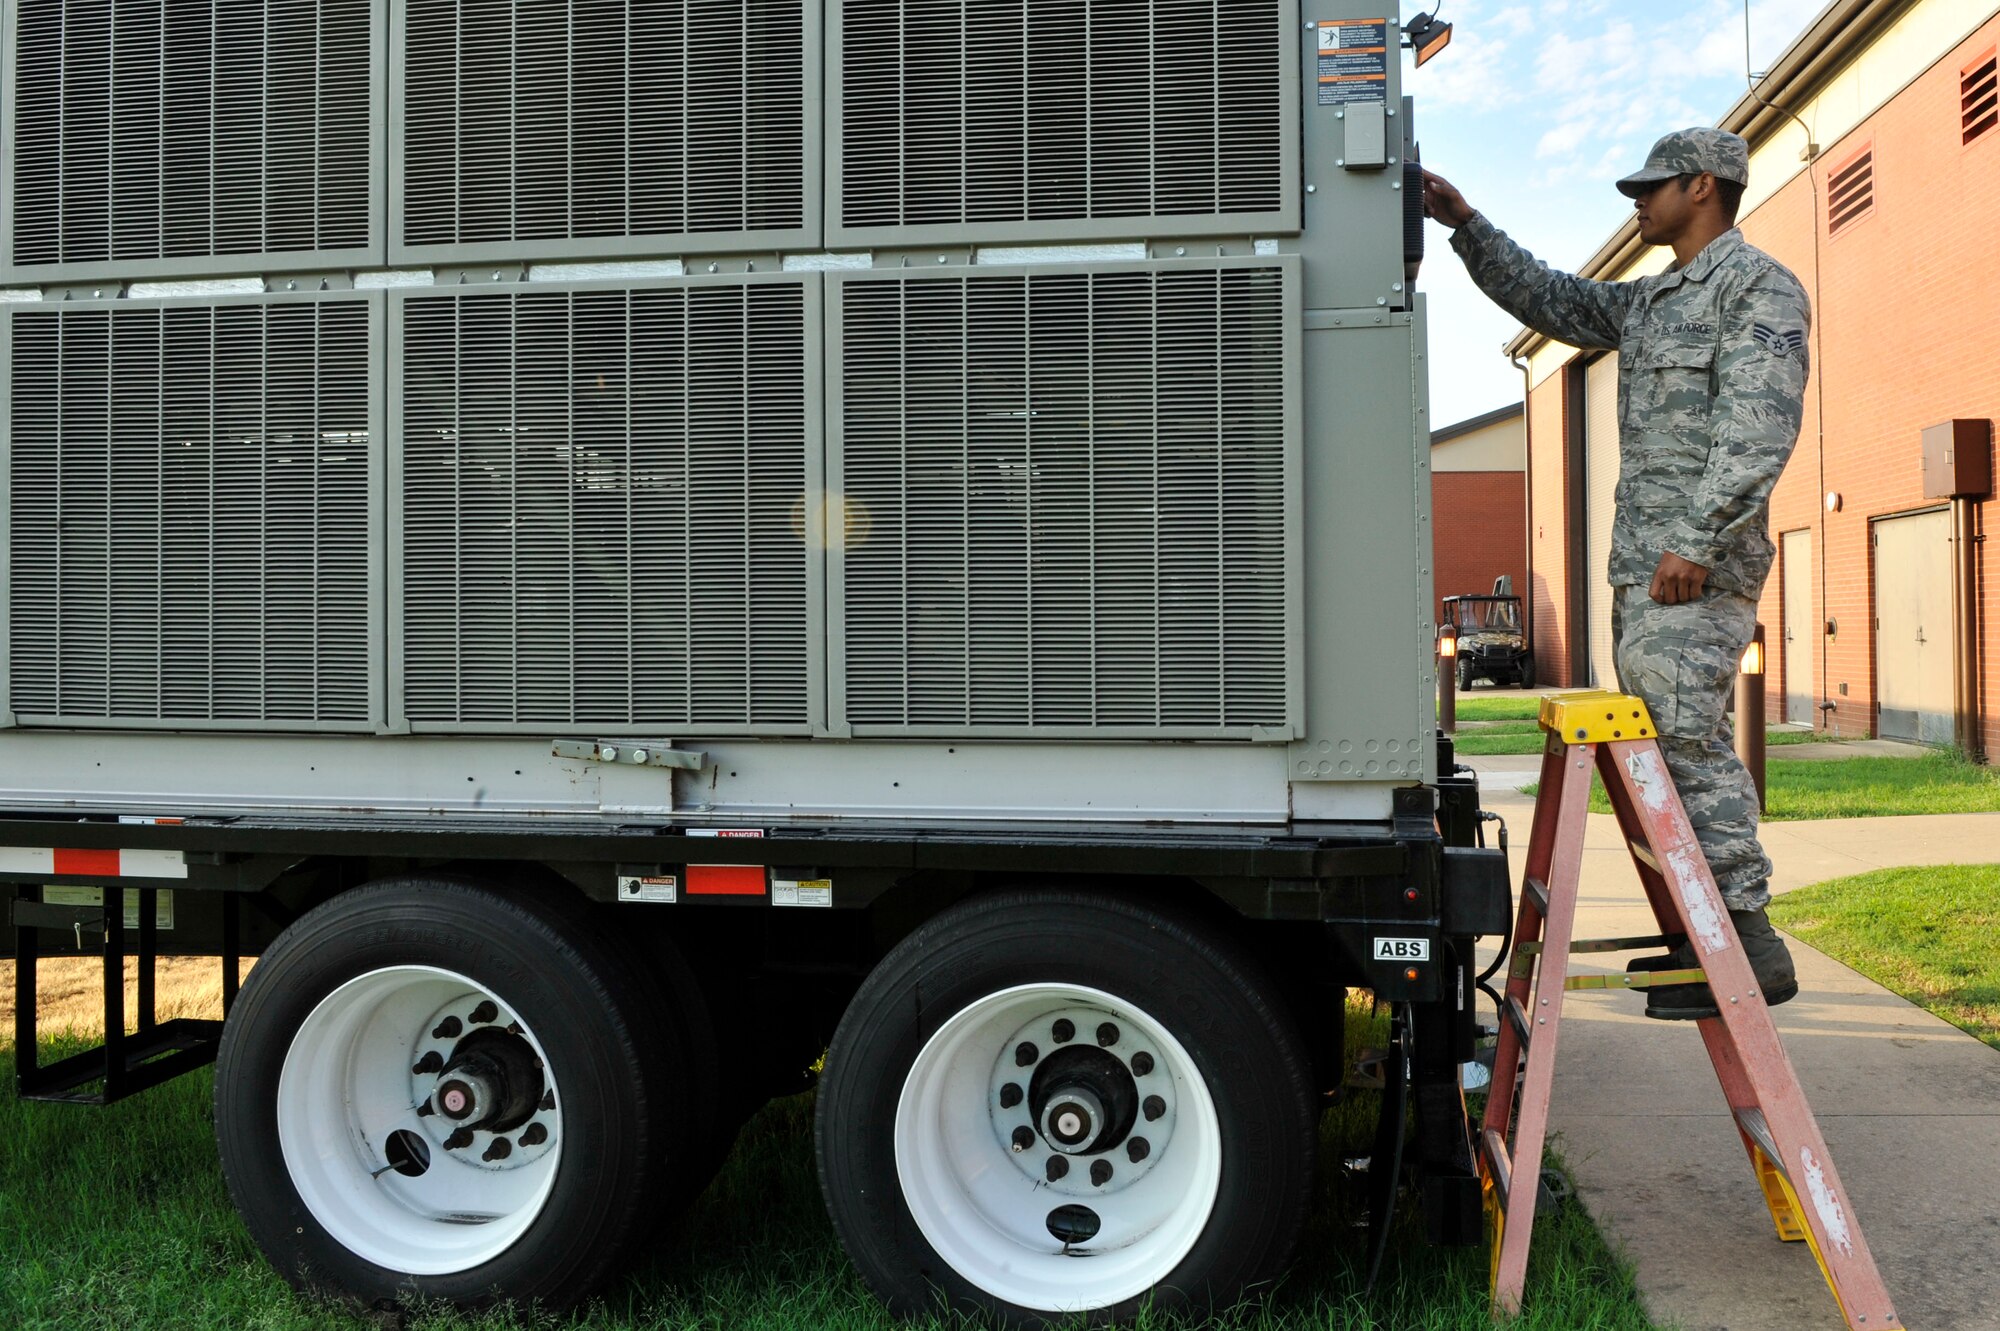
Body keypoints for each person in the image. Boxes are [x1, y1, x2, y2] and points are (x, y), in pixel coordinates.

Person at [1423, 129, 1810, 1019]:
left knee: (1685, 743)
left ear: (1704, 187)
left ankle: (1747, 945)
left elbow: (1758, 427)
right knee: (1658, 760)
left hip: (1693, 569)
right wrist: (1466, 222)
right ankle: (1695, 937)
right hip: (1646, 573)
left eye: (1653, 185)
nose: (1636, 200)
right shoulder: (1653, 303)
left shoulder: (1758, 287)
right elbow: (1551, 298)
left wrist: (1699, 540)